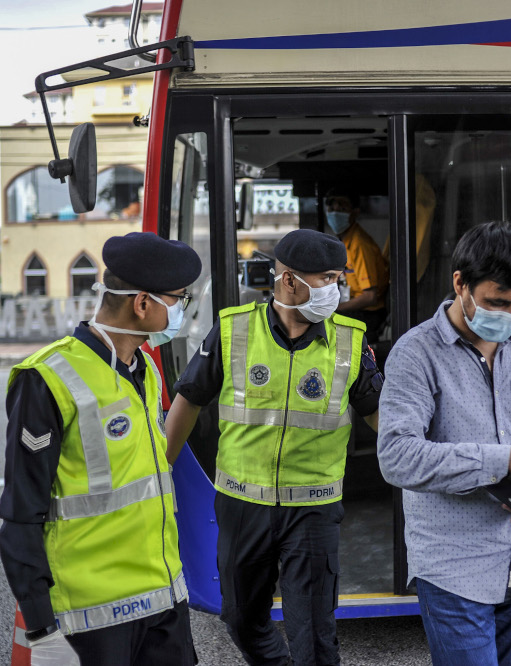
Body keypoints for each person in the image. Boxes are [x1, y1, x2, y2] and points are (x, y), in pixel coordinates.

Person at [164, 228, 384, 666]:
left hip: (314, 508)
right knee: (241, 618)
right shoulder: (232, 331)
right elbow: (188, 400)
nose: (336, 290)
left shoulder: (350, 342)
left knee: (315, 636)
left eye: (339, 278)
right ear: (289, 281)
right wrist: (157, 475)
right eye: (327, 279)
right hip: (242, 504)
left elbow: (385, 423)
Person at [376, 221, 511, 666]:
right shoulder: (416, 353)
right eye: (498, 302)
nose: (510, 315)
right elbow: (396, 456)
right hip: (454, 569)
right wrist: (505, 460)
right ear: (461, 283)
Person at [0, 232, 202, 665]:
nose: (182, 310)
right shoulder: (47, 379)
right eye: (179, 300)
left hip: (163, 602)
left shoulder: (144, 367)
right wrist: (39, 628)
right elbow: (19, 517)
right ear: (142, 304)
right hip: (91, 620)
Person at [325, 190, 390, 340]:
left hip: (370, 313)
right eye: (332, 209)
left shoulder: (359, 244)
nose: (335, 213)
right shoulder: (345, 242)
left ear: (354, 213)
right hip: (357, 309)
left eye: (341, 209)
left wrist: (335, 309)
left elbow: (370, 297)